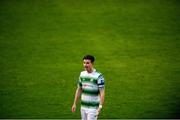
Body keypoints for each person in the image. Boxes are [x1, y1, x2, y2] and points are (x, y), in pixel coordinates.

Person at [72, 55, 105, 120]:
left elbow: (102, 92)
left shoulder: (99, 76)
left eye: (87, 63)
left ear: (92, 63)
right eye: (84, 63)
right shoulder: (82, 74)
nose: (85, 65)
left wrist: (100, 107)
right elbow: (79, 89)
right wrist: (74, 103)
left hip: (93, 108)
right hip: (83, 106)